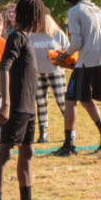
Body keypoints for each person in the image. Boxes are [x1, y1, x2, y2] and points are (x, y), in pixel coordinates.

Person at [0, 0, 58, 200]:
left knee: (27, 154)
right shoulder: (16, 37)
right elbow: (4, 66)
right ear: (34, 16)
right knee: (5, 153)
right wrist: (6, 103)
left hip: (29, 108)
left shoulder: (26, 38)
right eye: (41, 15)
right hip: (16, 107)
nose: (44, 19)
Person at [52, 0, 101, 157]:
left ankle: (69, 145)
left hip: (87, 59)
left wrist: (63, 56)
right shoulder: (97, 10)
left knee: (70, 98)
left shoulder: (74, 11)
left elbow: (76, 43)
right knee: (84, 97)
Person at [31, 13, 69, 144]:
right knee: (40, 102)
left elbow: (68, 50)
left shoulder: (58, 34)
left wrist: (58, 55)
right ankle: (43, 133)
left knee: (62, 101)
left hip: (55, 72)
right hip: (38, 73)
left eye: (41, 23)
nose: (39, 26)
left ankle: (71, 130)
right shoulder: (33, 35)